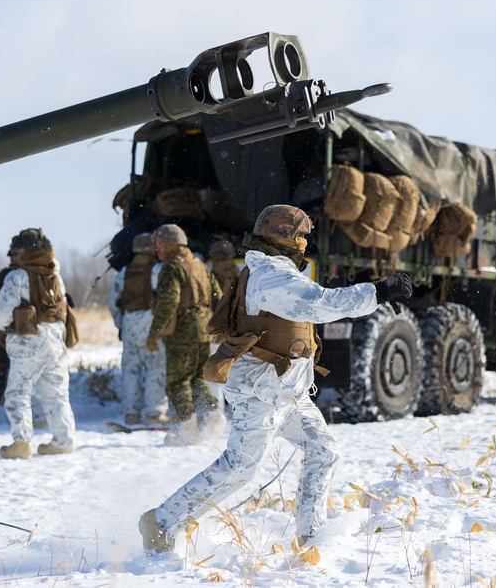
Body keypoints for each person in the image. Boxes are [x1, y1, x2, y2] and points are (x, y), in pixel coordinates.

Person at [139, 205, 412, 553]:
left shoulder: (280, 271)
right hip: (259, 394)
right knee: (240, 469)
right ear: (283, 236)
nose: (303, 242)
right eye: (299, 235)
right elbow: (319, 305)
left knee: (323, 451)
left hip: (288, 394)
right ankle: (161, 522)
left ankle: (310, 535)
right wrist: (378, 292)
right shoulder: (271, 277)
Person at [0, 228, 76, 459]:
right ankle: (63, 441)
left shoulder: (17, 277)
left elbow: (0, 318)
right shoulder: (55, 276)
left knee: (18, 394)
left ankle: (22, 442)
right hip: (56, 343)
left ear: (23, 253)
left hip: (29, 344)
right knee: (57, 395)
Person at [145, 223, 223, 445]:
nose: (157, 249)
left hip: (182, 333)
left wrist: (154, 333)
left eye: (160, 244)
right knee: (197, 378)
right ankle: (213, 417)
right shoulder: (199, 266)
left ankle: (186, 430)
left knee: (178, 381)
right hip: (203, 332)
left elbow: (169, 302)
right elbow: (219, 297)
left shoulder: (172, 267)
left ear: (172, 244)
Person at [0, 234, 47, 427]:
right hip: (8, 332)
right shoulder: (6, 277)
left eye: (16, 255)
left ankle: (33, 416)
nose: (13, 259)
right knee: (2, 360)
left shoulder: (36, 275)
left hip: (32, 333)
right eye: (12, 256)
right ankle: (1, 397)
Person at [108, 232, 171, 426]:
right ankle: (154, 413)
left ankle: (131, 413)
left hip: (129, 327)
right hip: (152, 327)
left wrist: (122, 324)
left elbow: (113, 303)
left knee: (130, 372)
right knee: (155, 370)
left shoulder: (124, 271)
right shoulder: (158, 270)